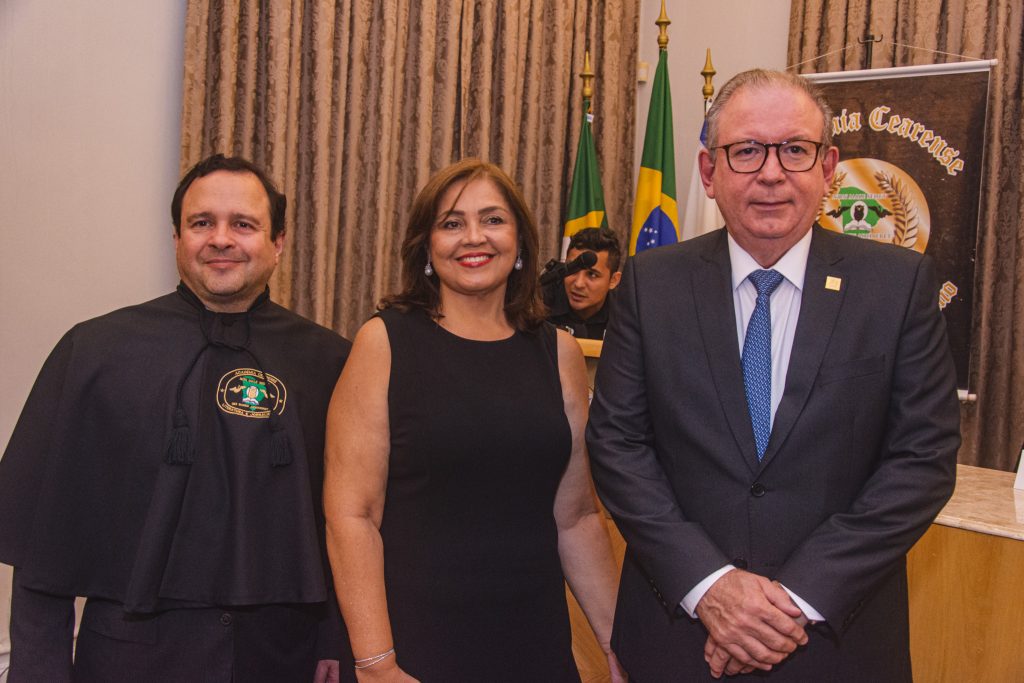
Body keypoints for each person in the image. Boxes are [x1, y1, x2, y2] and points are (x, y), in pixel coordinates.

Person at [586, 69, 960, 682]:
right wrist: (711, 588)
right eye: (746, 151)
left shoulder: (897, 286)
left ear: (828, 167)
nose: (771, 172)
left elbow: (922, 460)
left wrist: (791, 603)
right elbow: (617, 446)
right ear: (709, 171)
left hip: (837, 644)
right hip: (680, 641)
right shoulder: (650, 285)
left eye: (794, 149)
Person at [0, 154, 352, 682]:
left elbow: (348, 521)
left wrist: (336, 643)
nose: (221, 239)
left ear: (278, 242)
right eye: (202, 222)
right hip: (129, 659)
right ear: (177, 237)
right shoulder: (94, 354)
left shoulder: (330, 363)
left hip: (283, 659)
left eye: (243, 224)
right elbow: (43, 542)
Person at [324, 158, 626, 682]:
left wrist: (617, 644)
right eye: (451, 223)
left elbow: (576, 517)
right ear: (426, 246)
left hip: (535, 644)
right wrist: (376, 664)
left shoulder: (559, 353)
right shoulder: (385, 342)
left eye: (492, 219)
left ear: (520, 241)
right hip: (415, 649)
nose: (473, 237)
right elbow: (352, 515)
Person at [546, 227, 623, 340]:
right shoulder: (540, 304)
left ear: (613, 280)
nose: (578, 284)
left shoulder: (626, 314)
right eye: (572, 269)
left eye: (592, 274)